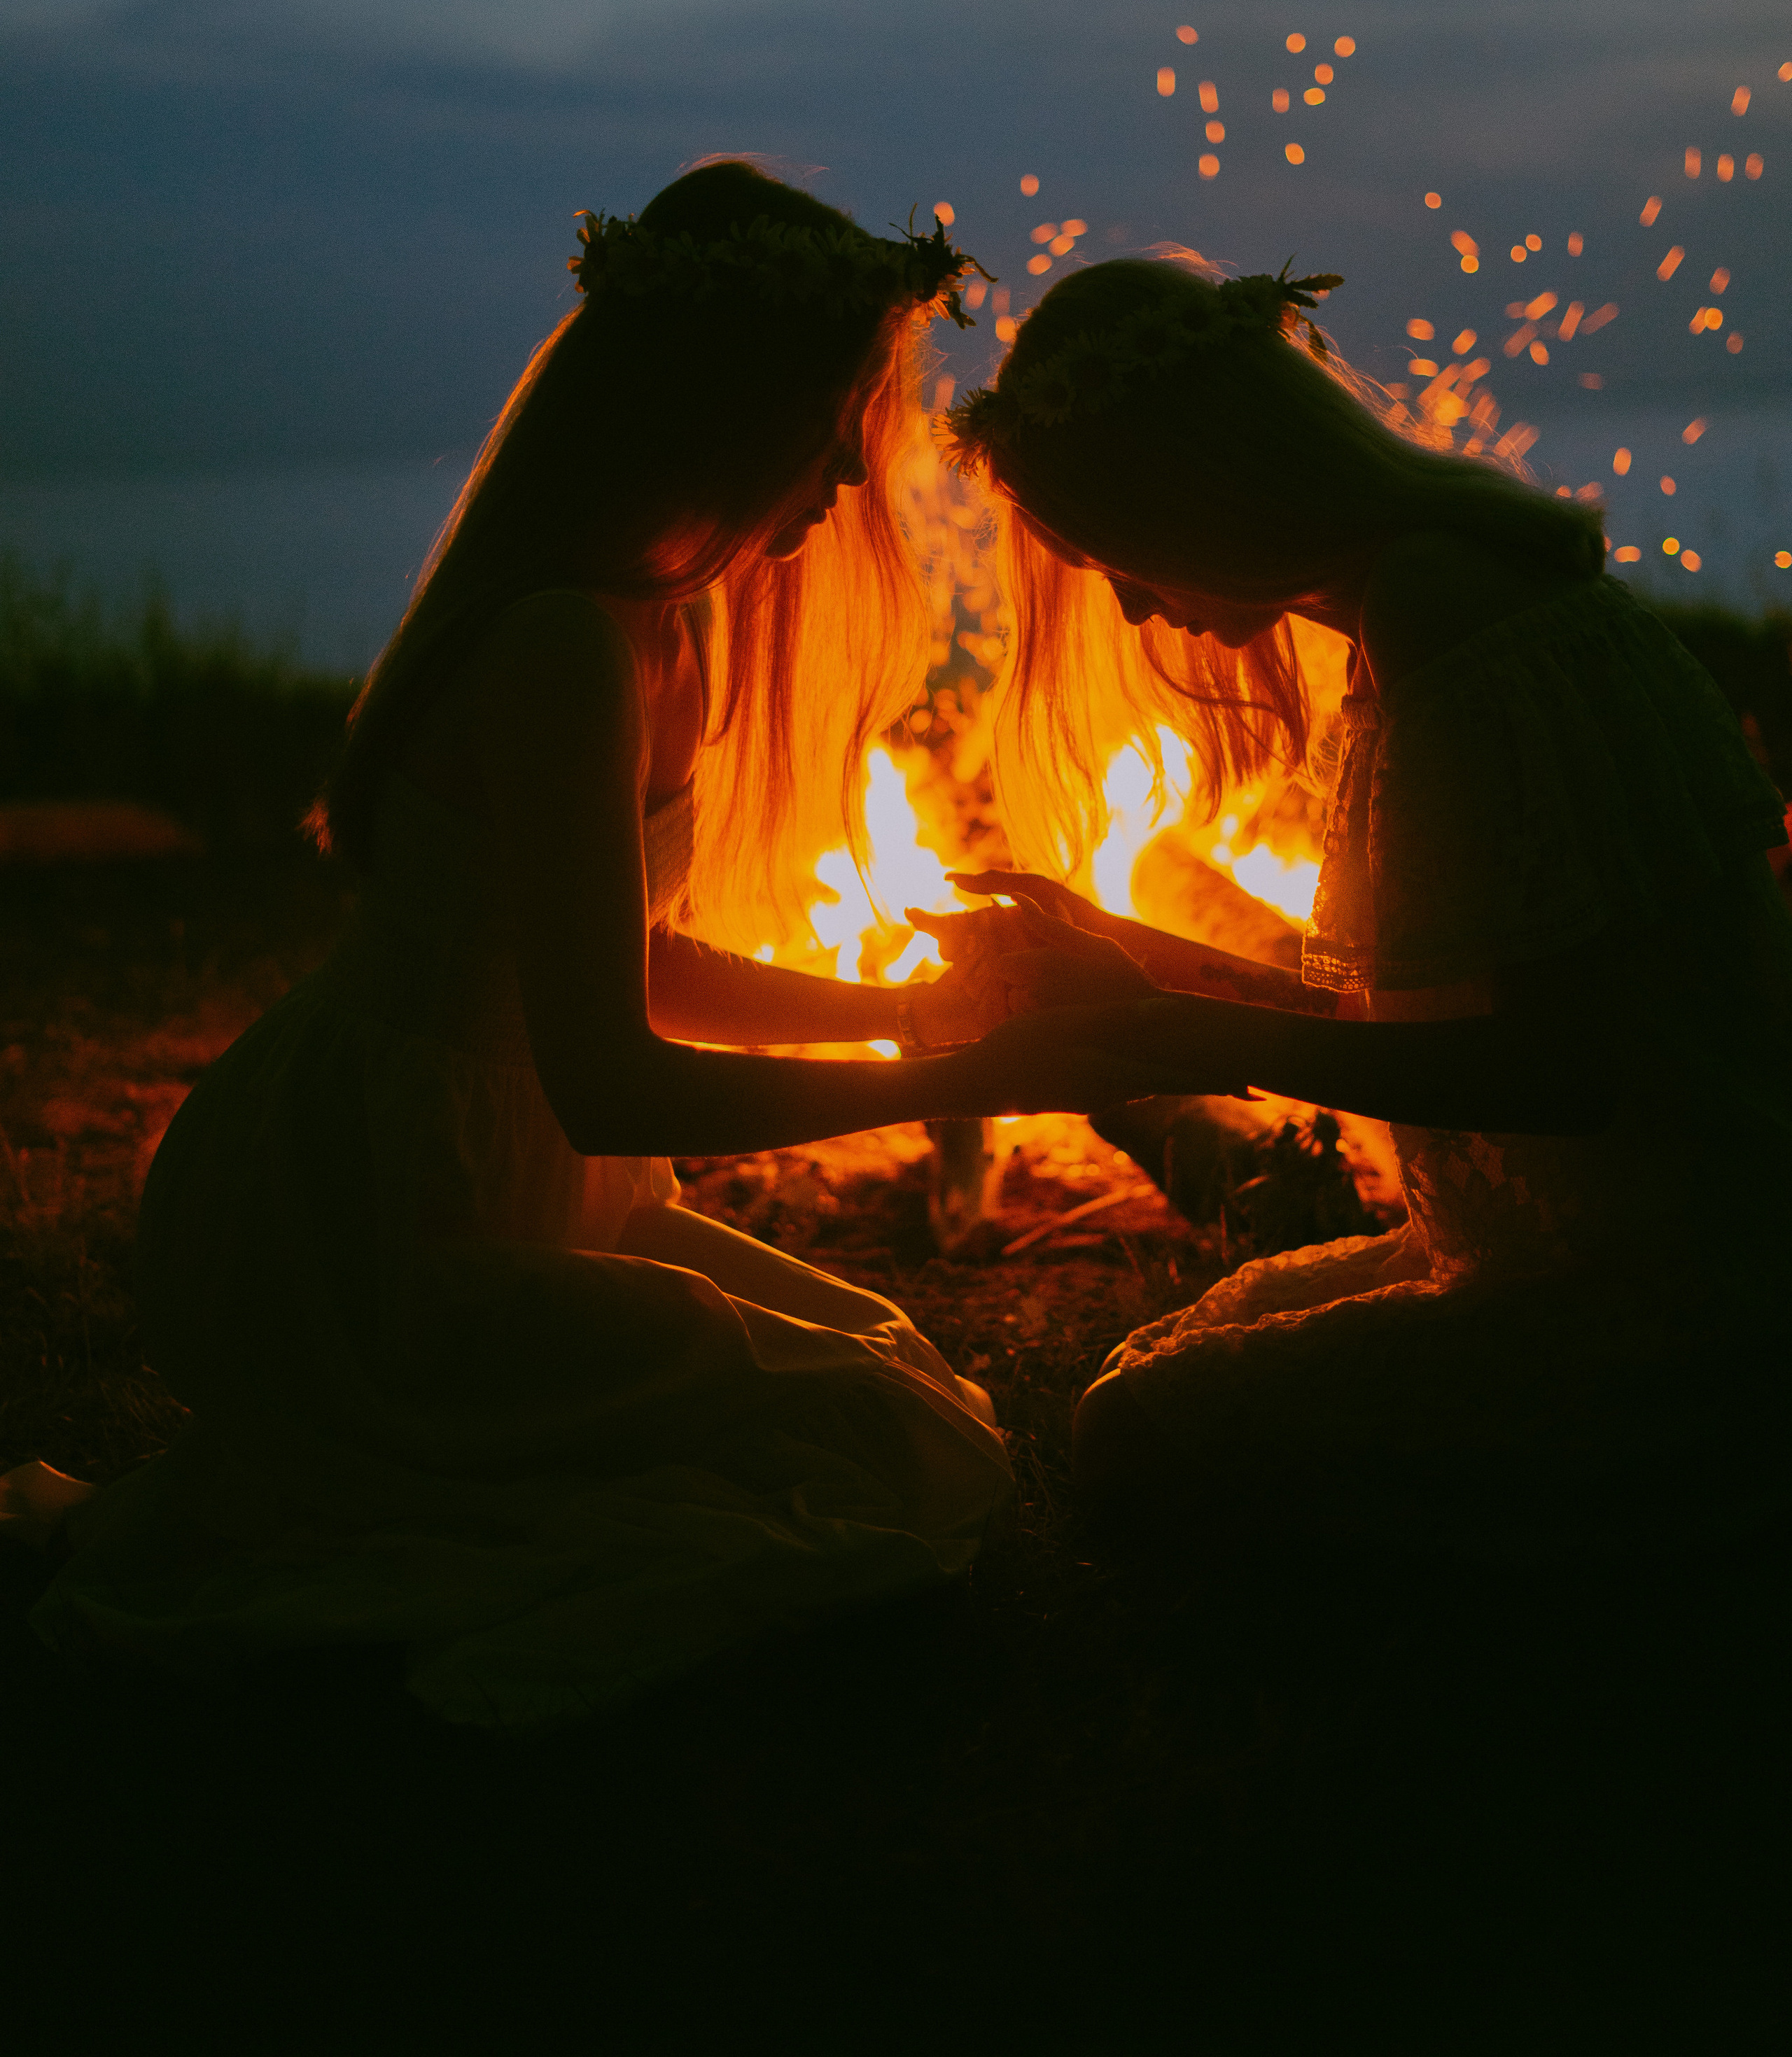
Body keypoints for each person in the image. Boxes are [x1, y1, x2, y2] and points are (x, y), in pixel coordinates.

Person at [13, 164, 1157, 1725]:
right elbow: (615, 1076)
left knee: (896, 1390)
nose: (842, 476)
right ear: (718, 410)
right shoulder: (559, 640)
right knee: (893, 1459)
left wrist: (915, 1021)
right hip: (390, 1215)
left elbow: (642, 963)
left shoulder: (648, 618)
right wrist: (979, 1068)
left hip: (525, 1177)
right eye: (829, 422)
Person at [935, 251, 1792, 1555]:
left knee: (1139, 1435)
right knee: (1166, 1364)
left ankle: (1669, 1490)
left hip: (1658, 1284)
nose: (1126, 600)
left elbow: (1564, 1070)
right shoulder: (1422, 594)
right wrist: (1131, 959)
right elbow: (1429, 1011)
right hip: (1528, 1251)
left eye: (1119, 553)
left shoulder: (1450, 616)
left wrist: (1157, 1030)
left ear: (1196, 497)